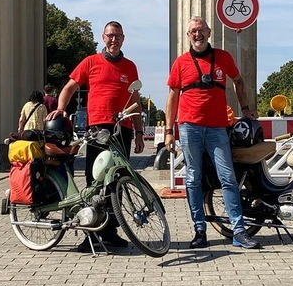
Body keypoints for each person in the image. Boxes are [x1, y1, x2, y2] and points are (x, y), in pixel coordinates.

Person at [46, 20, 144, 252]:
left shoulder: (130, 67)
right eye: (110, 35)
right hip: (98, 129)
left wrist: (139, 132)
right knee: (94, 181)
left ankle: (110, 233)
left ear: (123, 38)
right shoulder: (91, 62)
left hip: (123, 128)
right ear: (103, 38)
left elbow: (136, 101)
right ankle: (91, 235)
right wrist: (61, 108)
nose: (113, 39)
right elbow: (70, 87)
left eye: (117, 35)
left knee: (117, 181)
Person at [164, 17, 261, 250]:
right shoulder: (181, 63)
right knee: (193, 178)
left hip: (218, 127)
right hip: (189, 126)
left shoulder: (223, 57)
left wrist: (245, 108)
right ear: (188, 36)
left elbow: (238, 81)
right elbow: (173, 97)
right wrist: (169, 131)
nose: (197, 35)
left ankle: (239, 231)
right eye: (192, 32)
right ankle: (199, 230)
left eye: (201, 30)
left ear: (209, 32)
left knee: (228, 177)